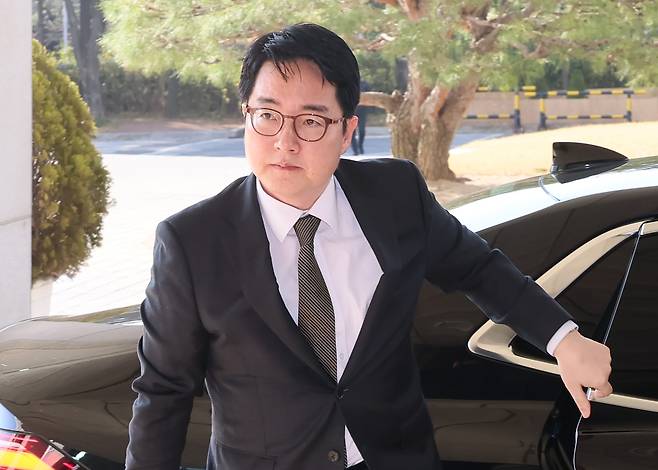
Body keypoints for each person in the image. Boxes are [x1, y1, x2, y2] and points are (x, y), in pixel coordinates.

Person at [125, 23, 612, 470]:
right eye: (267, 116)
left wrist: (563, 340)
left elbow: (478, 268)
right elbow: (163, 393)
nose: (285, 141)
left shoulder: (395, 196)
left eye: (311, 121)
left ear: (347, 133)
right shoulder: (192, 242)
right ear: (246, 116)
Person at [351, 80, 370, 155]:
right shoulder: (349, 83)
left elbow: (370, 97)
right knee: (352, 131)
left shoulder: (365, 84)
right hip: (352, 111)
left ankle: (360, 145)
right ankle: (355, 150)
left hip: (362, 111)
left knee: (362, 131)